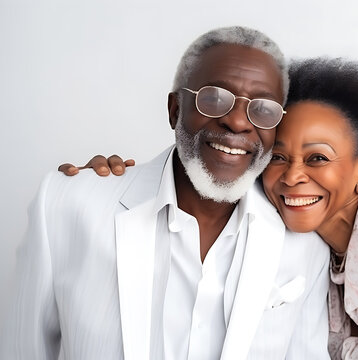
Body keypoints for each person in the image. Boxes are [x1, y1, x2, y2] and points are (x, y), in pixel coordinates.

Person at [76, 58, 358, 359]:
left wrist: (346, 350)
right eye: (278, 157)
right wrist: (116, 176)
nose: (293, 176)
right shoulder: (287, 226)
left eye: (318, 158)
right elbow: (193, 181)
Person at [0, 27, 331, 360]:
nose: (237, 122)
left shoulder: (304, 242)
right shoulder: (66, 206)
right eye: (214, 98)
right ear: (175, 109)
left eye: (262, 109)